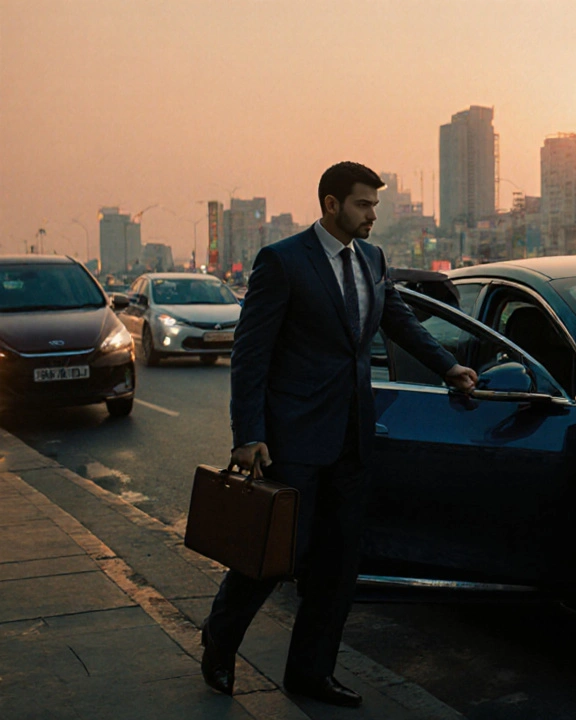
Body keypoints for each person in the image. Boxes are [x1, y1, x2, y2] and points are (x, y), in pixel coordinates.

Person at [199, 162, 478, 707]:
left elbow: (399, 321)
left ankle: (311, 673)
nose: (373, 214)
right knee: (274, 556)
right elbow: (249, 356)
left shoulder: (372, 260)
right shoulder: (282, 262)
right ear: (331, 204)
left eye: (375, 204)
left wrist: (448, 366)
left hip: (354, 435)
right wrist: (248, 433)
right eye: (363, 204)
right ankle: (219, 638)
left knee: (338, 564)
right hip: (295, 438)